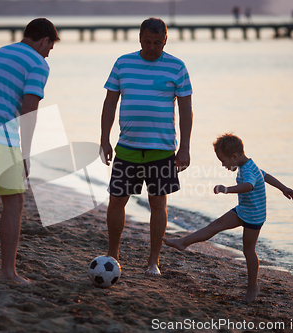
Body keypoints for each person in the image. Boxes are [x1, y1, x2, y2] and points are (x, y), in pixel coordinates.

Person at [0, 18, 59, 284]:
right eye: (50, 47)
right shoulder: (38, 63)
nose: (49, 53)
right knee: (14, 202)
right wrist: (25, 153)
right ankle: (8, 272)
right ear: (44, 41)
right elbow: (29, 110)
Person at [100, 17, 193, 276]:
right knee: (117, 201)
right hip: (127, 147)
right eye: (147, 42)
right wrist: (104, 139)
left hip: (161, 149)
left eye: (157, 43)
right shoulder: (123, 63)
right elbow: (110, 103)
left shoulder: (177, 67)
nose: (152, 47)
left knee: (158, 204)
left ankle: (153, 261)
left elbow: (186, 111)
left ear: (165, 40)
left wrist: (184, 148)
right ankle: (113, 254)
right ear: (139, 39)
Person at [163, 133, 293, 302]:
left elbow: (248, 186)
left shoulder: (248, 170)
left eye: (223, 161)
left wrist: (227, 189)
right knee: (216, 225)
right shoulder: (248, 166)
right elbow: (265, 175)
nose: (222, 165)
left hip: (254, 215)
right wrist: (283, 188)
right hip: (244, 210)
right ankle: (183, 242)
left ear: (234, 156)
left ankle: (253, 287)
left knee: (248, 250)